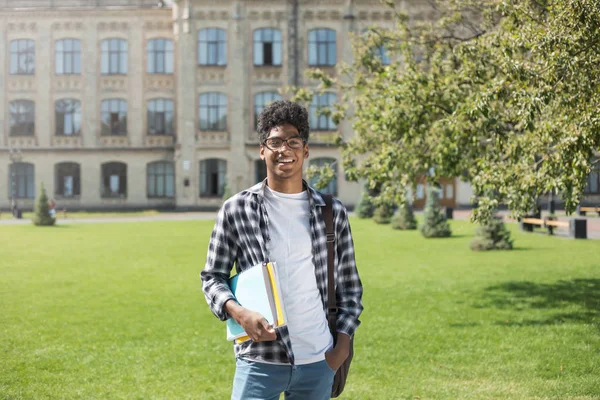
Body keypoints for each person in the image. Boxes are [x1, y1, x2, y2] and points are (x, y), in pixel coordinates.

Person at [201, 100, 363, 400]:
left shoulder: (332, 212)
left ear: (305, 150)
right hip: (259, 359)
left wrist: (340, 349)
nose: (284, 149)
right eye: (275, 141)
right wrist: (239, 313)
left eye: (293, 141)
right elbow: (212, 277)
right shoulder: (236, 209)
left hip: (319, 359)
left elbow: (350, 289)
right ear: (262, 149)